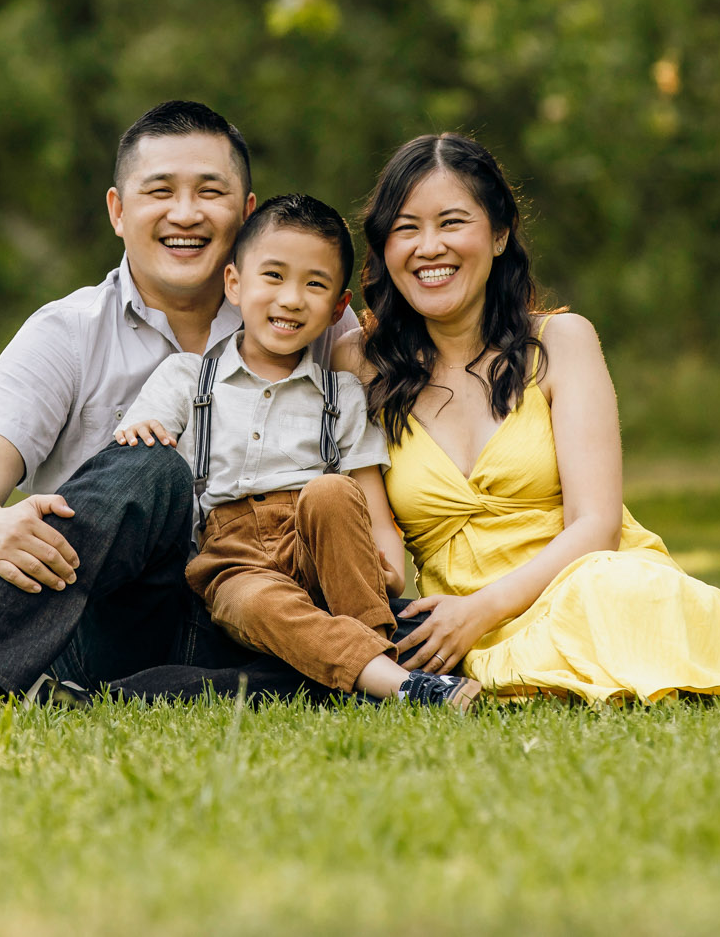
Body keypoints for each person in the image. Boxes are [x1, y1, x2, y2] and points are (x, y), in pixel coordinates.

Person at [340, 133, 720, 704]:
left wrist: (482, 609)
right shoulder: (362, 364)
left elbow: (597, 527)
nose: (428, 247)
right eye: (406, 227)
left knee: (615, 595)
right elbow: (373, 545)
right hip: (456, 621)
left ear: (500, 234)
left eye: (452, 222)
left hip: (584, 583)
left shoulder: (562, 342)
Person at [0, 101, 353, 713]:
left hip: (261, 610)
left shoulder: (302, 322)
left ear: (246, 214)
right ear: (118, 210)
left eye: (210, 192)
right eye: (160, 191)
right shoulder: (67, 332)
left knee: (369, 645)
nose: (185, 213)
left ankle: (108, 701)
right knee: (154, 463)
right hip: (117, 618)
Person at [114, 194, 482, 709]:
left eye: (314, 284)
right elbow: (133, 447)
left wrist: (387, 569)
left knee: (330, 489)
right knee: (260, 602)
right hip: (233, 562)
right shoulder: (188, 378)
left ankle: (378, 673)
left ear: (338, 308)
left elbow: (372, 514)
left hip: (324, 550)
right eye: (273, 277)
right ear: (234, 284)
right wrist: (145, 430)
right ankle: (396, 678)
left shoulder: (342, 395)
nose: (291, 299)